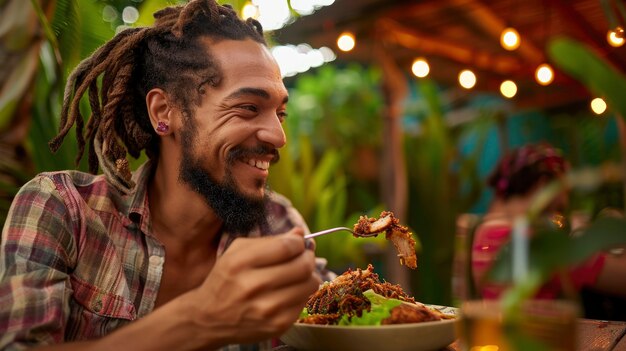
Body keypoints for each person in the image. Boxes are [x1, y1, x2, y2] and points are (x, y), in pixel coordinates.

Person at [0, 1, 330, 349]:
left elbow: (344, 325)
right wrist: (199, 320)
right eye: (248, 108)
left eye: (280, 113)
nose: (278, 136)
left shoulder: (277, 225)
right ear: (164, 111)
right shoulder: (63, 210)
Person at [470, 143, 626, 310]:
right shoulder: (532, 239)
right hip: (539, 333)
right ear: (544, 185)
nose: (564, 205)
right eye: (564, 189)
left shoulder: (483, 230)